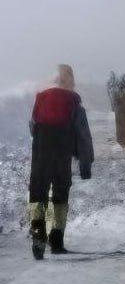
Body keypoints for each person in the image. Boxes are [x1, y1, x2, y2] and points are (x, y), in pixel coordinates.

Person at [28, 64, 94, 259]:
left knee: (38, 195)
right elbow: (83, 135)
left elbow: (32, 127)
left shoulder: (41, 99)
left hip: (41, 154)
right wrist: (85, 162)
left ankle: (38, 240)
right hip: (62, 155)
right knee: (60, 197)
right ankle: (56, 241)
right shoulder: (74, 103)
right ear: (70, 81)